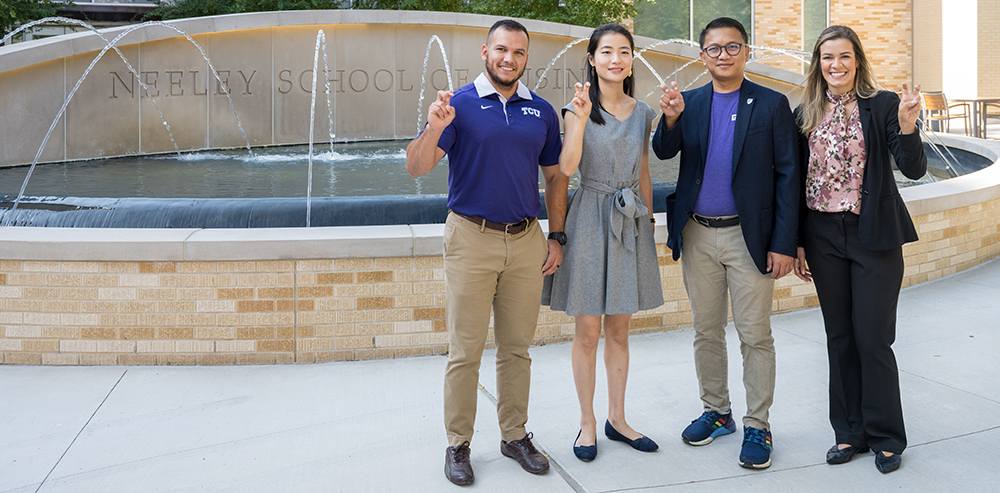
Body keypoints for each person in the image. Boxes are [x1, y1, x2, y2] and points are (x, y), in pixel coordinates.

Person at [405, 19, 568, 487]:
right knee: (466, 351)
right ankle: (458, 444)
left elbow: (556, 177)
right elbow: (417, 167)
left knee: (517, 349)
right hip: (470, 239)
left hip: (525, 241)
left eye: (518, 52)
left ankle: (513, 435)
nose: (508, 59)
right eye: (501, 49)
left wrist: (556, 235)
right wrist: (434, 129)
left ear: (526, 58)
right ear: (484, 51)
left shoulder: (540, 111)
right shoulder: (458, 105)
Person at [651, 17, 799, 470]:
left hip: (749, 236)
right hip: (697, 233)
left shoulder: (772, 105)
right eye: (713, 49)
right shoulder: (689, 103)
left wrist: (784, 243)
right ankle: (717, 412)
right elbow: (663, 150)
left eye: (731, 47)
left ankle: (758, 424)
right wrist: (670, 118)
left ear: (746, 51)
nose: (723, 55)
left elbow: (788, 177)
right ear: (702, 56)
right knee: (706, 330)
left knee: (755, 334)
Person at [792, 25, 925, 474]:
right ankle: (849, 433)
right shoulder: (805, 112)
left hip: (874, 235)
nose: (836, 65)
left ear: (858, 60)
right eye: (828, 57)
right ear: (818, 63)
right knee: (840, 339)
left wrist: (908, 127)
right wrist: (797, 241)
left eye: (845, 56)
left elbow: (913, 168)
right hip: (823, 235)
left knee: (873, 339)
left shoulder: (883, 104)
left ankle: (886, 436)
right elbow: (794, 182)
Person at [542, 23, 664, 462]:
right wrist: (577, 117)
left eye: (624, 51)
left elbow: (645, 171)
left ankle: (617, 418)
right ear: (592, 59)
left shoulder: (644, 111)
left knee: (620, 327)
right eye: (607, 51)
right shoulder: (576, 108)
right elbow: (567, 167)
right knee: (589, 329)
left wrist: (648, 220)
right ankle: (587, 422)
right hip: (590, 217)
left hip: (629, 220)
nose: (616, 58)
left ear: (632, 59)